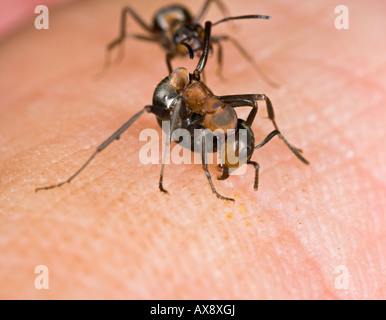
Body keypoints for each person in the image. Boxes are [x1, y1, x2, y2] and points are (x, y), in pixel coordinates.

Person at [0, 0, 384, 299]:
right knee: (169, 118)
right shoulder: (187, 78)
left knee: (249, 100)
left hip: (193, 101)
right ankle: (73, 176)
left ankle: (264, 135)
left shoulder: (218, 100)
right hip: (170, 99)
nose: (201, 49)